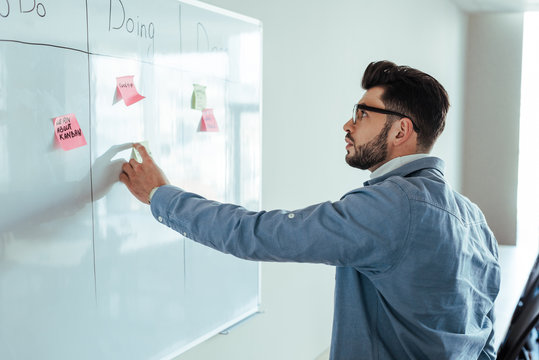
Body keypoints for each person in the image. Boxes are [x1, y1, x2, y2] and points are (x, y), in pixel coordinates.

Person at [119, 60, 501, 359]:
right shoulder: (474, 218)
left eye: (363, 113)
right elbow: (484, 333)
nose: (347, 124)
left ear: (402, 131)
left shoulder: (392, 207)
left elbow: (257, 234)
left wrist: (160, 195)